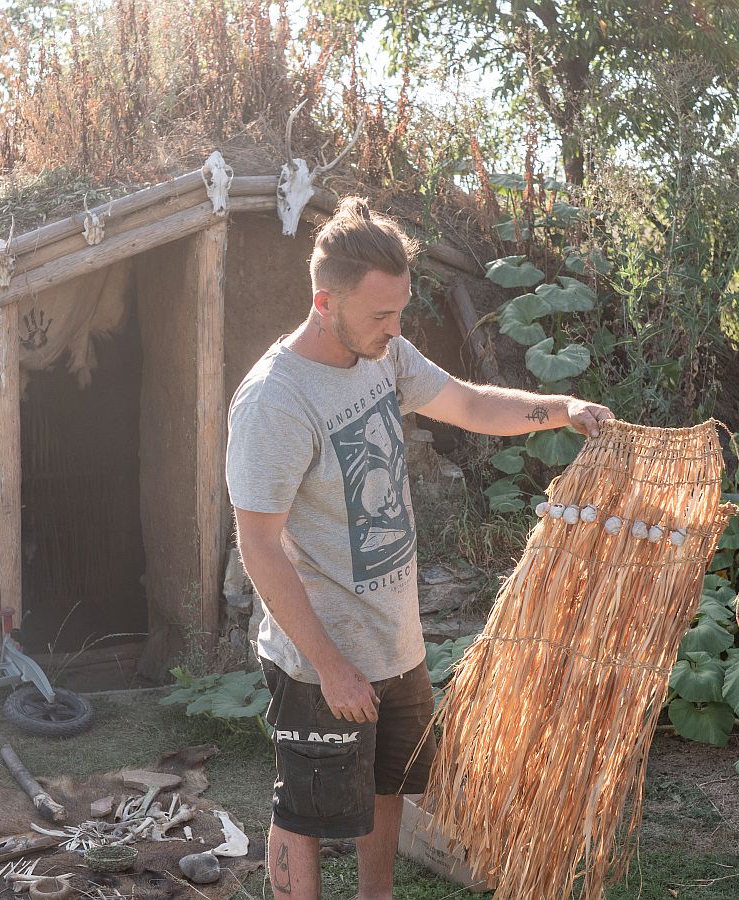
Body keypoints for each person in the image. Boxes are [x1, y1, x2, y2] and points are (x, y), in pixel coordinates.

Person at [225, 197, 614, 900]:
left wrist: (558, 410)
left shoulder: (384, 355)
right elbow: (258, 545)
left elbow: (466, 404)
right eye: (380, 315)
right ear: (324, 301)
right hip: (321, 658)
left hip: (395, 642)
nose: (395, 330)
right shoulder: (275, 402)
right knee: (305, 810)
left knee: (387, 789)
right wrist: (330, 665)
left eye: (401, 311)